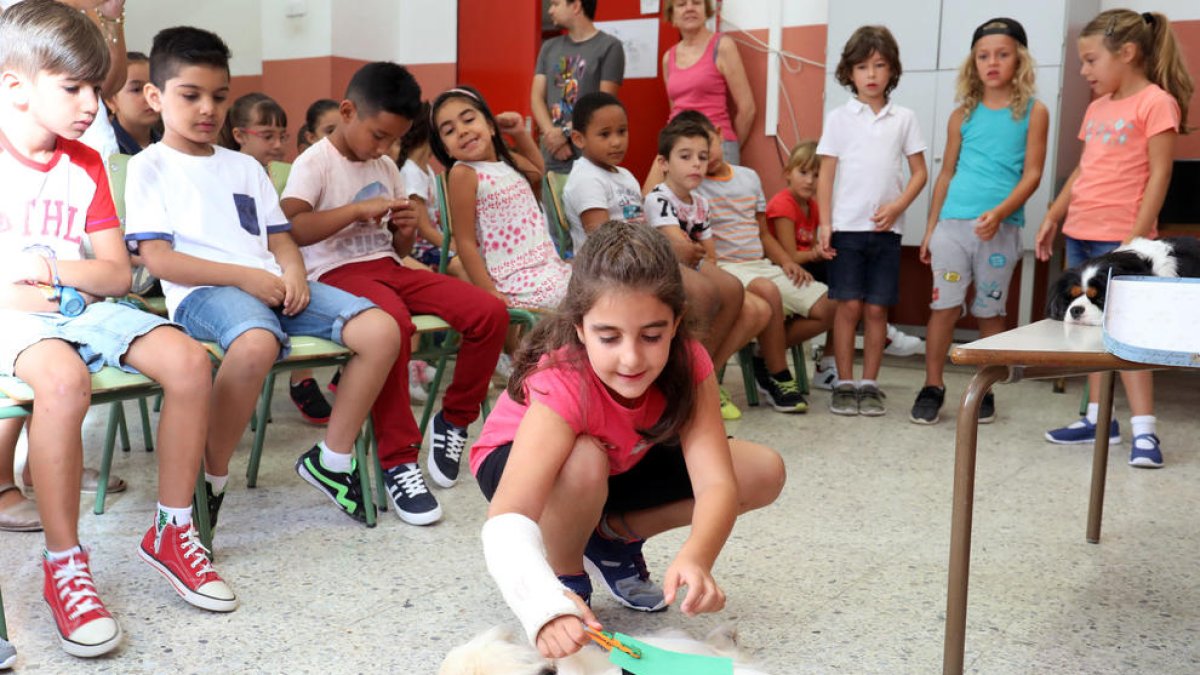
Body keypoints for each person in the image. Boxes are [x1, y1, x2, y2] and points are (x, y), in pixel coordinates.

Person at [0, 2, 237, 658]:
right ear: (15, 85)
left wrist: (47, 265)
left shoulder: (86, 165)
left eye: (96, 90)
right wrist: (30, 285)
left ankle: (173, 530)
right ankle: (64, 563)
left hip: (75, 301)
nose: (91, 106)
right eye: (74, 89)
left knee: (190, 361)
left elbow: (116, 275)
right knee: (64, 381)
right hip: (13, 317)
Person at [126, 26, 402, 531]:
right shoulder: (150, 167)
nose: (207, 108)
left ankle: (332, 460)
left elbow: (280, 239)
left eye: (218, 96)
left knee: (382, 330)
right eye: (191, 95)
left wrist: (293, 272)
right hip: (203, 294)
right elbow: (159, 260)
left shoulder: (245, 168)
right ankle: (210, 477)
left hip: (270, 287)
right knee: (256, 344)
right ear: (155, 96)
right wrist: (247, 277)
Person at [471, 220, 784, 658]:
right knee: (583, 459)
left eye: (652, 335)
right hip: (523, 465)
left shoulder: (688, 361)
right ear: (580, 327)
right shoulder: (563, 380)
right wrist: (542, 604)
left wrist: (698, 555)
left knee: (761, 470)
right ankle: (567, 574)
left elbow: (716, 482)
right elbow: (507, 516)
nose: (632, 357)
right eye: (609, 336)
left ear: (676, 323)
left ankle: (611, 538)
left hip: (620, 457)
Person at [281, 63, 508, 524]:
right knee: (395, 328)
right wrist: (355, 209)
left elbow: (396, 246)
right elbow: (292, 226)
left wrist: (403, 230)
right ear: (347, 111)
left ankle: (456, 419)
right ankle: (398, 460)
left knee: (488, 312)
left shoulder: (385, 165)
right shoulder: (316, 161)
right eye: (379, 135)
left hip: (388, 266)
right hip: (336, 274)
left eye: (395, 140)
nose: (384, 148)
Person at [1034, 9, 1192, 468]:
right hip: (1081, 233)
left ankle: (1146, 431)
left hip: (1123, 243)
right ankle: (1098, 419)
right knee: (1089, 332)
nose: (1083, 71)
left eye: (1090, 60)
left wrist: (1135, 238)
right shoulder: (1097, 108)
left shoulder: (1156, 102)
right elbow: (1086, 168)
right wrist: (1053, 213)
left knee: (1128, 337)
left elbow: (1161, 173)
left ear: (1126, 53)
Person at [910, 18, 1049, 426]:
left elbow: (1033, 174)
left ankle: (984, 388)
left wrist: (1001, 213)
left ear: (1018, 59)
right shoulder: (961, 115)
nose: (993, 63)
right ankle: (932, 385)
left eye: (1002, 55)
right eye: (984, 56)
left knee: (990, 311)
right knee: (944, 308)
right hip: (952, 228)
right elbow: (946, 173)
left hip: (999, 230)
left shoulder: (1033, 112)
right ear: (973, 63)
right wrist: (931, 226)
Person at [816, 25, 928, 417]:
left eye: (880, 65)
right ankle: (845, 382)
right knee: (847, 307)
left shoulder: (904, 118)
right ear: (849, 73)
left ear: (892, 71)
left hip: (886, 231)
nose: (871, 74)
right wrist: (824, 223)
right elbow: (826, 175)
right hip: (847, 229)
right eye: (862, 66)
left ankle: (870, 383)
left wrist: (897, 207)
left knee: (877, 310)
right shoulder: (839, 119)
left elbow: (920, 173)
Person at [219, 92, 335, 426]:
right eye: (267, 135)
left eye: (282, 135)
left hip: (272, 265)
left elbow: (277, 234)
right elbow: (243, 234)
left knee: (304, 291)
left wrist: (290, 269)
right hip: (238, 272)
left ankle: (304, 376)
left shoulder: (266, 174)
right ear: (240, 135)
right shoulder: (229, 173)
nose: (279, 144)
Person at [643, 113, 768, 420]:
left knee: (740, 293)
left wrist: (695, 252)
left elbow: (705, 253)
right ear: (664, 163)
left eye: (702, 156)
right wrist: (694, 251)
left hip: (695, 268)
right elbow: (678, 248)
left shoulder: (701, 203)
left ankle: (699, 376)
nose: (696, 164)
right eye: (685, 157)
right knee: (720, 289)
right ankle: (688, 379)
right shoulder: (658, 198)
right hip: (666, 272)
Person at [431, 85, 572, 310]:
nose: (462, 131)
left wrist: (519, 133)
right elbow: (465, 241)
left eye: (468, 120)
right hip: (511, 280)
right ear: (446, 149)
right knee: (579, 296)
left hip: (545, 266)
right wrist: (488, 291)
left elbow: (537, 173)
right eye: (449, 131)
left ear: (490, 126)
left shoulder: (507, 163)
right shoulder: (464, 173)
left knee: (594, 284)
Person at [765, 140, 839, 390]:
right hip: (780, 269)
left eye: (817, 175)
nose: (810, 181)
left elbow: (810, 251)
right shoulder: (783, 204)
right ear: (788, 174)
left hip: (804, 268)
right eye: (803, 172)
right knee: (842, 292)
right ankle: (767, 350)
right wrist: (818, 253)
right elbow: (791, 257)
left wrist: (820, 251)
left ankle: (829, 363)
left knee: (845, 284)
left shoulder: (814, 206)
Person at [531, 0, 624, 174]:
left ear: (576, 6)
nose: (550, 10)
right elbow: (536, 97)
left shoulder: (610, 46)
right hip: (553, 155)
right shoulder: (549, 47)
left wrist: (565, 133)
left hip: (591, 157)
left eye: (556, 4)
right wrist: (552, 135)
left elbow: (603, 104)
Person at [660, 0, 754, 165]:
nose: (689, 8)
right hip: (679, 149)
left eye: (696, 2)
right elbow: (674, 108)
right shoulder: (669, 58)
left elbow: (747, 109)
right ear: (672, 15)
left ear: (706, 10)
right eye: (681, 4)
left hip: (716, 148)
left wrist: (728, 147)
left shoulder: (722, 46)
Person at [108, 51, 160, 155]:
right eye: (136, 89)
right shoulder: (107, 148)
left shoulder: (169, 146)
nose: (149, 96)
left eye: (155, 86)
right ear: (111, 101)